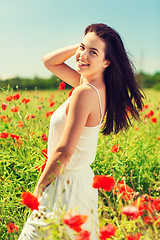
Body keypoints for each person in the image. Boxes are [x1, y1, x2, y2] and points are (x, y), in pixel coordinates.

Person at [18, 23, 144, 239]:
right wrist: (85, 45)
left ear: (106, 62)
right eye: (82, 48)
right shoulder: (93, 88)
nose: (82, 55)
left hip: (63, 184)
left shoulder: (84, 92)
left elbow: (64, 152)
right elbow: (48, 61)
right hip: (81, 182)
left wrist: (39, 188)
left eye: (92, 52)